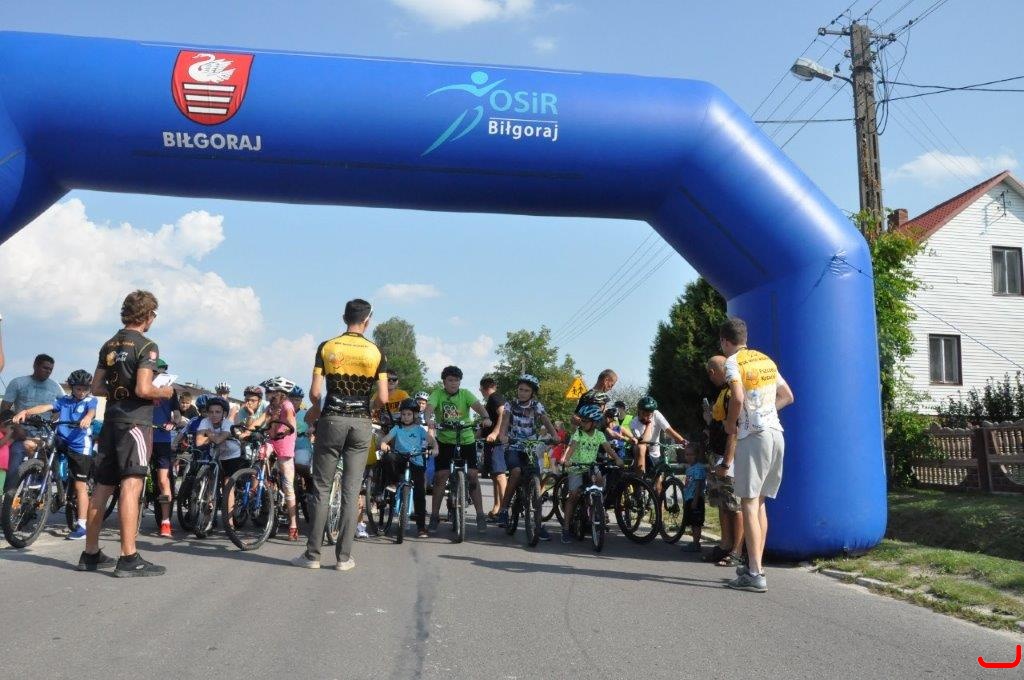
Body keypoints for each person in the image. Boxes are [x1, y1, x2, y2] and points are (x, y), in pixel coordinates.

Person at [82, 290, 174, 576]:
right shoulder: (147, 345)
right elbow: (143, 389)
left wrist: (118, 390)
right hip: (135, 423)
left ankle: (90, 553)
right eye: (153, 314)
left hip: (111, 420)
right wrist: (165, 391)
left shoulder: (109, 343)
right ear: (147, 315)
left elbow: (96, 387)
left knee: (102, 487)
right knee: (131, 487)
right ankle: (128, 557)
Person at [295, 298, 388, 571]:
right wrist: (369, 408)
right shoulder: (376, 352)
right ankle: (344, 558)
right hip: (360, 422)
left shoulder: (327, 346)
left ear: (344, 318)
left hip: (332, 419)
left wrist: (316, 409)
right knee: (351, 489)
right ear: (367, 321)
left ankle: (312, 556)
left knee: (321, 488)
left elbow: (315, 393)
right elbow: (383, 397)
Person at [720, 317, 794, 594]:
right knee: (760, 502)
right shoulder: (766, 361)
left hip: (753, 436)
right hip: (776, 434)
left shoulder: (732, 362)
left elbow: (738, 398)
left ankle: (755, 573)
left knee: (748, 503)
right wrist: (767, 412)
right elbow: (787, 395)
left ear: (725, 342)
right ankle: (755, 566)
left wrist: (731, 423)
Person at [12, 369, 97, 539]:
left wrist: (88, 418)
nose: (81, 392)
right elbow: (46, 407)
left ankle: (82, 526)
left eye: (85, 389)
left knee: (80, 486)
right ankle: (38, 475)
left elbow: (91, 411)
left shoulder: (90, 400)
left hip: (80, 446)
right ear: (72, 388)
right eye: (78, 388)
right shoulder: (64, 400)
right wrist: (26, 412)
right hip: (61, 439)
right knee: (36, 444)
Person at [424, 365, 492, 533]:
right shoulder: (437, 394)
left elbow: (479, 407)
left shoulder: (465, 394)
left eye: (457, 380)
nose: (454, 383)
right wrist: (428, 419)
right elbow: (429, 409)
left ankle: (480, 515)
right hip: (445, 440)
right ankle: (434, 516)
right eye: (450, 380)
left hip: (466, 439)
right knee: (441, 476)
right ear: (444, 381)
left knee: (473, 475)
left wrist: (485, 417)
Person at [496, 374, 558, 540]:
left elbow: (546, 421)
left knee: (535, 480)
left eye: (526, 390)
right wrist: (502, 436)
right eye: (520, 389)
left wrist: (554, 435)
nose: (522, 393)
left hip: (530, 446)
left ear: (532, 393)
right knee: (516, 471)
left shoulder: (537, 406)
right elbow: (505, 421)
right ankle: (503, 509)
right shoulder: (510, 404)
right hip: (513, 445)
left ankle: (538, 524)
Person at [560, 405, 623, 543]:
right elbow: (571, 448)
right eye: (581, 420)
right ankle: (566, 529)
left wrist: (617, 459)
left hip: (591, 466)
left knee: (599, 480)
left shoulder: (599, 435)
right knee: (574, 495)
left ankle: (597, 507)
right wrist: (566, 459)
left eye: (585, 421)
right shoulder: (578, 433)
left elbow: (609, 449)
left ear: (594, 423)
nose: (581, 423)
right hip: (576, 467)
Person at [2, 353, 65, 492]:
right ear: (35, 365)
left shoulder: (56, 387)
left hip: (45, 431)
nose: (48, 371)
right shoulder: (18, 383)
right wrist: (14, 427)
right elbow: (5, 410)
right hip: (22, 430)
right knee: (16, 454)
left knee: (49, 459)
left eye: (50, 369)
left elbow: (63, 406)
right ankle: (8, 493)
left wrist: (55, 416)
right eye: (45, 368)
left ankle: (41, 494)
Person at [704, 355, 744, 567]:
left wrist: (727, 462)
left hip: (728, 458)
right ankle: (725, 544)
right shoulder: (722, 392)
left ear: (713, 372)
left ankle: (737, 550)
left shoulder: (732, 393)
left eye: (710, 374)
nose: (710, 378)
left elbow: (734, 430)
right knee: (722, 503)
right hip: (717, 454)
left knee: (734, 505)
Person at [379, 398, 437, 538]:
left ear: (415, 415)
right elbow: (385, 440)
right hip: (400, 458)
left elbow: (432, 441)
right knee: (388, 457)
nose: (405, 417)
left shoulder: (419, 430)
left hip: (416, 460)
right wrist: (384, 444)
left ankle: (421, 527)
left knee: (419, 493)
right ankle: (393, 482)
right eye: (403, 414)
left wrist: (435, 448)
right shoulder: (397, 428)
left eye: (409, 414)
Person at [251, 376, 300, 540]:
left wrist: (285, 431)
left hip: (285, 442)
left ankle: (293, 524)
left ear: (278, 392)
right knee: (261, 454)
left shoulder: (287, 405)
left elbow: (291, 423)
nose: (267, 394)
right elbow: (259, 421)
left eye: (269, 391)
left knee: (287, 485)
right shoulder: (270, 407)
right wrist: (244, 431)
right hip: (272, 440)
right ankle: (260, 486)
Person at [629, 396, 687, 492]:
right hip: (641, 454)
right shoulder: (633, 423)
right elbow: (644, 440)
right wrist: (648, 424)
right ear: (639, 411)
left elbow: (668, 430)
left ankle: (659, 499)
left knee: (658, 483)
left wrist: (682, 440)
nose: (647, 416)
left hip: (654, 452)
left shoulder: (656, 414)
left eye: (650, 414)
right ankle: (640, 485)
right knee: (641, 447)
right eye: (644, 413)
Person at [151, 358, 182, 537]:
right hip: (143, 437)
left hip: (162, 438)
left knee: (163, 480)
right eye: (155, 371)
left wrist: (173, 422)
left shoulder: (171, 390)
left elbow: (177, 414)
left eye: (160, 371)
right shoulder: (141, 387)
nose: (157, 374)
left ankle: (165, 521)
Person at [478, 376, 507, 521]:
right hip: (490, 442)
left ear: (482, 389)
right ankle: (497, 507)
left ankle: (504, 510)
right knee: (495, 475)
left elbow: (503, 412)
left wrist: (496, 433)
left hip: (497, 442)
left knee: (500, 474)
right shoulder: (491, 399)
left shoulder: (495, 397)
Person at [680, 443, 708, 552]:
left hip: (696, 499)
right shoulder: (689, 469)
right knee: (692, 522)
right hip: (689, 498)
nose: (689, 457)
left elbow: (698, 486)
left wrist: (695, 501)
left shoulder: (698, 469)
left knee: (696, 523)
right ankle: (694, 542)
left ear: (697, 455)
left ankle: (696, 543)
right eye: (687, 454)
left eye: (691, 454)